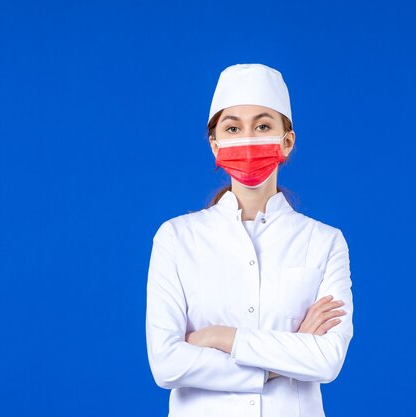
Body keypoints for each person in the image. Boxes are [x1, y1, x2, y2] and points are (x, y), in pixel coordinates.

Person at [145, 63, 353, 417]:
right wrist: (285, 359)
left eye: (262, 126)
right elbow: (166, 364)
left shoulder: (325, 242)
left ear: (286, 142)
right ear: (215, 144)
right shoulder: (177, 238)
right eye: (232, 128)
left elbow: (327, 360)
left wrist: (220, 337)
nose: (248, 139)